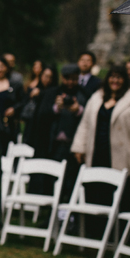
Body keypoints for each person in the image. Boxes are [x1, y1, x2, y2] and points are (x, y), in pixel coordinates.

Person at [72, 65, 130, 212]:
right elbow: (85, 124)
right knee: (97, 187)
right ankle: (96, 226)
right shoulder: (97, 96)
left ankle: (119, 229)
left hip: (122, 152)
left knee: (121, 190)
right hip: (97, 151)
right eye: (112, 77)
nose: (115, 81)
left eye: (119, 77)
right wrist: (79, 147)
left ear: (125, 80)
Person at [37, 64, 89, 200]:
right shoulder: (52, 92)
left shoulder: (84, 94)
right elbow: (41, 116)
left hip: (74, 146)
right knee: (52, 179)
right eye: (67, 79)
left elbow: (90, 120)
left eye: (73, 79)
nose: (70, 82)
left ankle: (69, 213)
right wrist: (56, 108)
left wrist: (78, 110)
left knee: (71, 180)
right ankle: (51, 211)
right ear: (61, 78)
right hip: (54, 144)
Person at [0, 56, 25, 151]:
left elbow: (23, 101)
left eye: (1, 66)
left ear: (6, 68)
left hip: (9, 125)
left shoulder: (15, 85)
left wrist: (14, 109)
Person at [23, 65, 57, 157]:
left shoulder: (54, 91)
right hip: (32, 130)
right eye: (46, 76)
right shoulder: (35, 89)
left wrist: (41, 93)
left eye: (51, 77)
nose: (48, 79)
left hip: (45, 133)